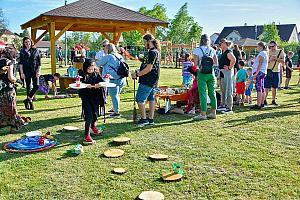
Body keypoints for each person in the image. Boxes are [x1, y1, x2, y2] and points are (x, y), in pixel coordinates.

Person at [131, 33, 161, 126]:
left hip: (148, 79)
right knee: (151, 98)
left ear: (148, 41)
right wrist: (139, 70)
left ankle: (144, 119)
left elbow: (149, 68)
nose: (144, 44)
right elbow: (147, 66)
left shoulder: (153, 52)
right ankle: (151, 119)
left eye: (144, 42)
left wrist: (137, 74)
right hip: (153, 79)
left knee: (140, 99)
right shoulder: (154, 51)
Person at [79, 58, 105, 144]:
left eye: (92, 68)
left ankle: (93, 126)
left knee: (95, 114)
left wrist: (100, 84)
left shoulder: (96, 74)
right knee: (89, 116)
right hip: (86, 97)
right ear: (86, 67)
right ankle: (87, 135)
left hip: (95, 97)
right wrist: (86, 85)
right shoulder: (81, 74)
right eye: (89, 68)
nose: (91, 70)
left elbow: (103, 82)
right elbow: (78, 84)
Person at [192, 34, 218, 120]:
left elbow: (195, 65)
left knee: (202, 93)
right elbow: (216, 63)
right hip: (211, 73)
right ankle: (213, 112)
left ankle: (203, 114)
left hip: (202, 73)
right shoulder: (212, 50)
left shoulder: (197, 50)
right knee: (212, 92)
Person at [98, 43, 125, 118]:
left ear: (108, 49)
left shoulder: (108, 56)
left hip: (113, 78)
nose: (104, 50)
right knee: (117, 95)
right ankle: (115, 108)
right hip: (121, 78)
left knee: (114, 95)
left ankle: (116, 112)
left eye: (105, 48)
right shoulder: (119, 55)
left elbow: (98, 63)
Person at [0, 48, 24, 133]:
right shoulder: (10, 62)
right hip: (8, 90)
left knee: (2, 109)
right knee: (12, 109)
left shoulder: (1, 60)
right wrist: (17, 80)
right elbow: (11, 77)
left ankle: (3, 125)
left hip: (0, 90)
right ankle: (14, 127)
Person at [19, 37, 41, 110]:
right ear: (24, 43)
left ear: (31, 42)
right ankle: (30, 102)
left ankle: (27, 99)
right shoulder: (22, 51)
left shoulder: (36, 50)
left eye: (29, 42)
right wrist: (22, 73)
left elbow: (39, 63)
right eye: (25, 42)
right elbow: (21, 63)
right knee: (28, 87)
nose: (27, 43)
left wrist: (38, 71)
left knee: (36, 86)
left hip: (35, 71)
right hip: (26, 71)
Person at [217, 38, 236, 114]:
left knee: (228, 89)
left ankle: (229, 107)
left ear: (225, 43)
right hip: (222, 73)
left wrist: (229, 67)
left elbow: (233, 60)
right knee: (223, 90)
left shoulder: (228, 52)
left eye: (221, 43)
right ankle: (223, 104)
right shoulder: (223, 52)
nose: (220, 45)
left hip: (227, 73)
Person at [264, 41, 285, 106]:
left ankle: (273, 100)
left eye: (273, 46)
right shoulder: (267, 52)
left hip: (276, 71)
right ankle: (264, 100)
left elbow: (283, 61)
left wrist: (276, 59)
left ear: (276, 45)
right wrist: (270, 59)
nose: (271, 48)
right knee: (266, 87)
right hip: (268, 70)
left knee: (274, 87)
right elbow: (264, 62)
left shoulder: (281, 51)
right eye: (270, 46)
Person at [250, 42, 268, 110]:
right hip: (262, 72)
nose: (256, 48)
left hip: (260, 72)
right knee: (262, 88)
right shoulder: (264, 53)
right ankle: (262, 103)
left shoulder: (262, 53)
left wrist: (256, 73)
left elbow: (260, 64)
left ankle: (258, 104)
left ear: (260, 46)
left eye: (257, 46)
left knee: (259, 88)